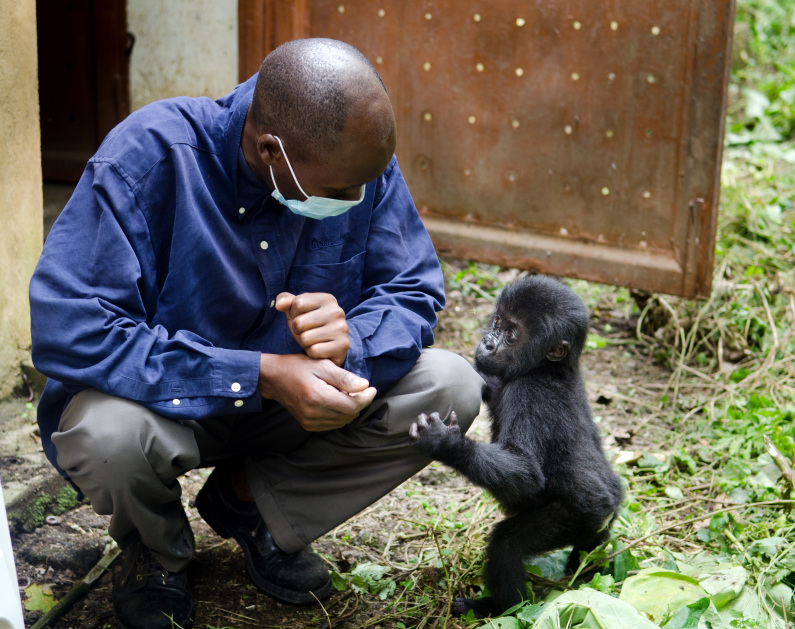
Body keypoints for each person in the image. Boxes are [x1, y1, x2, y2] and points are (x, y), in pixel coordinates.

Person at [29, 38, 484, 629]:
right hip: (166, 409)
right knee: (106, 433)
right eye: (340, 194)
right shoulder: (151, 157)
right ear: (272, 151)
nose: (357, 202)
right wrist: (261, 374)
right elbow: (71, 328)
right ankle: (156, 551)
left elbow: (413, 290)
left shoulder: (352, 163)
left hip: (293, 413)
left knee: (449, 387)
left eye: (364, 188)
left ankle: (252, 506)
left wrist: (354, 342)